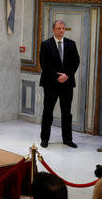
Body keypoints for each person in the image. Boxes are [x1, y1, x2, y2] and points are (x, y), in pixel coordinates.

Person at [39, 20, 80, 149]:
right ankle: (45, 139)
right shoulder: (46, 44)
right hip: (51, 83)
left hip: (67, 83)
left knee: (67, 112)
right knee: (48, 111)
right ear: (53, 29)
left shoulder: (71, 44)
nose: (61, 30)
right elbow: (44, 64)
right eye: (59, 28)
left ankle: (67, 139)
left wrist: (66, 75)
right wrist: (58, 76)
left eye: (63, 28)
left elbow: (76, 61)